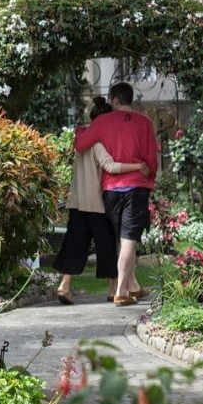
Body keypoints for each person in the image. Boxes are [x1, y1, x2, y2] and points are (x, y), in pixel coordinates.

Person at [54, 97, 150, 305]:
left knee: (74, 243)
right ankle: (113, 288)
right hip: (97, 203)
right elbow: (110, 166)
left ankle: (65, 285)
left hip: (78, 201)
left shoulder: (81, 137)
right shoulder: (98, 142)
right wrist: (138, 167)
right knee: (107, 246)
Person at [74, 82, 160, 307]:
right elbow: (152, 158)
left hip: (111, 190)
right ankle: (122, 290)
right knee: (129, 238)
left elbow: (80, 144)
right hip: (137, 187)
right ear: (130, 98)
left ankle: (128, 287)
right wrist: (149, 179)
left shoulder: (102, 122)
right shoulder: (145, 122)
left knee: (120, 239)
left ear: (113, 99)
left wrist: (82, 130)